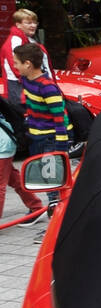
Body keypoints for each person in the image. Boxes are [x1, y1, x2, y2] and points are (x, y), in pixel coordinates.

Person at [14, 43, 69, 157]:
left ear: (27, 64)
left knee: (50, 175)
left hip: (50, 140)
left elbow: (59, 117)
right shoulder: (25, 80)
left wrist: (61, 148)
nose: (14, 66)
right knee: (40, 173)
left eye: (16, 63)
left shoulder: (47, 87)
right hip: (35, 136)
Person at [0, 96, 43, 226]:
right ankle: (36, 207)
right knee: (13, 179)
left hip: (3, 146)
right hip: (4, 144)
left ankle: (37, 207)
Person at [6, 9, 48, 105]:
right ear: (18, 25)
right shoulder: (16, 41)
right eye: (28, 23)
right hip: (21, 87)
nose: (33, 25)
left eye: (34, 22)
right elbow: (16, 67)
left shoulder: (28, 39)